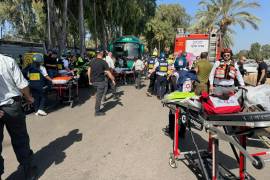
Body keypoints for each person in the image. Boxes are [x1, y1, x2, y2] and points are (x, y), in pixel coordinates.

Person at [0, 53, 37, 179]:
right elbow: (22, 84)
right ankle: (28, 171)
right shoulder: (7, 61)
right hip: (12, 106)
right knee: (20, 138)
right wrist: (29, 98)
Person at [88, 50, 116, 116]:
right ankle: (97, 111)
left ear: (97, 55)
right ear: (102, 55)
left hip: (93, 82)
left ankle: (97, 107)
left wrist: (89, 80)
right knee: (99, 97)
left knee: (97, 95)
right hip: (100, 82)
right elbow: (108, 72)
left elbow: (89, 71)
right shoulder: (103, 62)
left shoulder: (92, 61)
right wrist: (113, 79)